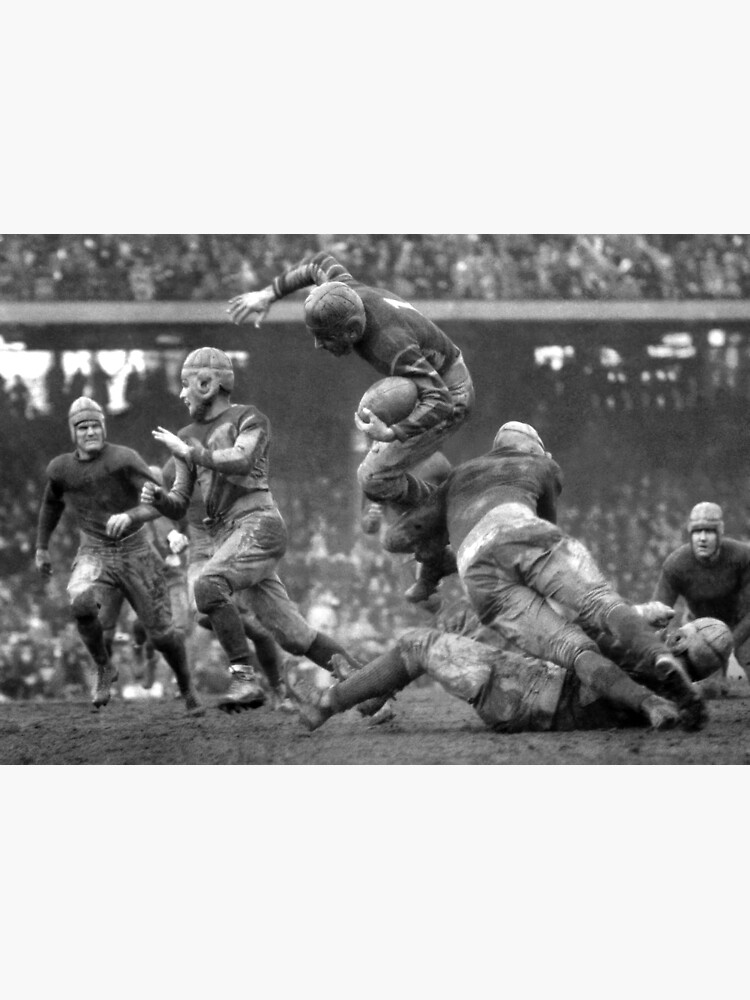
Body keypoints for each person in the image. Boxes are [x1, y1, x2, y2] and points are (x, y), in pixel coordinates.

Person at [383, 420, 707, 729]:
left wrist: (424, 524)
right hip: (524, 532)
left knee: (573, 650)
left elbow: (396, 539)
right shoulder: (542, 466)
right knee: (601, 604)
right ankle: (661, 658)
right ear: (534, 448)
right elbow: (549, 525)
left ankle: (649, 704)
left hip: (477, 573)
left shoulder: (458, 477)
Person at [227, 250, 475, 602]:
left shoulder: (390, 342)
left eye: (326, 337)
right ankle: (435, 559)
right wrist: (268, 294)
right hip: (428, 384)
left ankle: (442, 511)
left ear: (353, 329)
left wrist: (392, 433)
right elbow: (317, 262)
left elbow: (440, 400)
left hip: (450, 392)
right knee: (377, 478)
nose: (318, 345)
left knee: (373, 477)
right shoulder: (341, 287)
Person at [138, 347, 362, 713]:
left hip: (258, 524)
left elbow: (241, 460)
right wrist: (159, 499)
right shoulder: (185, 435)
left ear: (207, 383)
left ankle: (245, 680)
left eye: (185, 385)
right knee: (295, 637)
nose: (181, 394)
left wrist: (188, 453)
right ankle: (371, 691)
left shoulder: (249, 418)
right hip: (228, 536)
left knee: (207, 585)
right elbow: (180, 500)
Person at [287, 598, 732, 733]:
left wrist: (634, 613)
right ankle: (375, 694)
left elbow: (584, 641)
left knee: (419, 644)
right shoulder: (674, 685)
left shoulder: (652, 662)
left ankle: (325, 705)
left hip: (533, 695)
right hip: (546, 687)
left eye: (682, 632)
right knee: (463, 615)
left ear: (677, 639)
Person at [34, 397, 203, 716]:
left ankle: (186, 686)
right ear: (73, 432)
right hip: (94, 550)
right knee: (80, 601)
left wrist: (132, 515)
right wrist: (42, 546)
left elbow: (160, 502)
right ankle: (103, 667)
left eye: (96, 425)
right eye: (83, 427)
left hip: (136, 550)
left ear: (104, 427)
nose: (90, 432)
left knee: (164, 635)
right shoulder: (61, 468)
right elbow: (51, 503)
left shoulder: (124, 458)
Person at [160, 455, 292, 711]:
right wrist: (172, 532)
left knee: (261, 627)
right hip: (202, 552)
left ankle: (279, 691)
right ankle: (246, 673)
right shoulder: (171, 468)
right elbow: (169, 509)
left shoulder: (237, 458)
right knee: (201, 614)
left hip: (237, 546)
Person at [653, 501, 750, 680]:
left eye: (709, 531)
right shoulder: (675, 564)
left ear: (720, 533)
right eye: (697, 531)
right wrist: (656, 653)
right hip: (697, 634)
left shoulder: (742, 556)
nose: (702, 538)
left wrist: (731, 650)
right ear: (690, 534)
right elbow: (657, 615)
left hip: (742, 632)